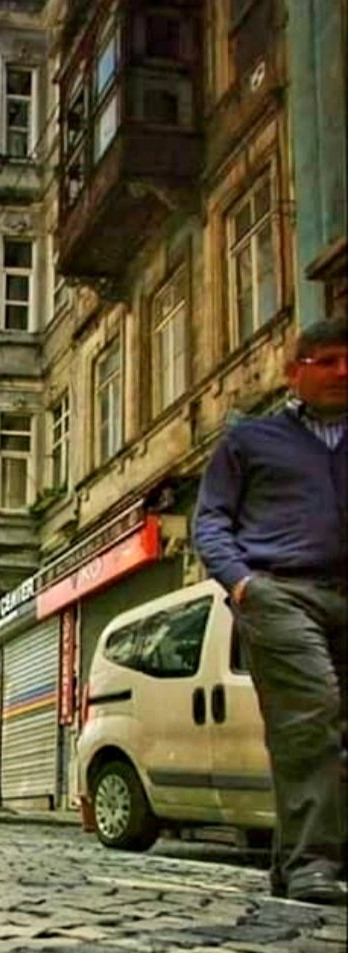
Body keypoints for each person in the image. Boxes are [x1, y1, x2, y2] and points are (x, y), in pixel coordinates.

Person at [193, 315, 347, 905]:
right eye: (326, 361)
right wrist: (242, 584)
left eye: (347, 360)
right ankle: (314, 863)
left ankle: (295, 863)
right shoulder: (249, 440)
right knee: (311, 711)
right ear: (294, 373)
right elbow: (210, 519)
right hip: (279, 590)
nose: (341, 371)